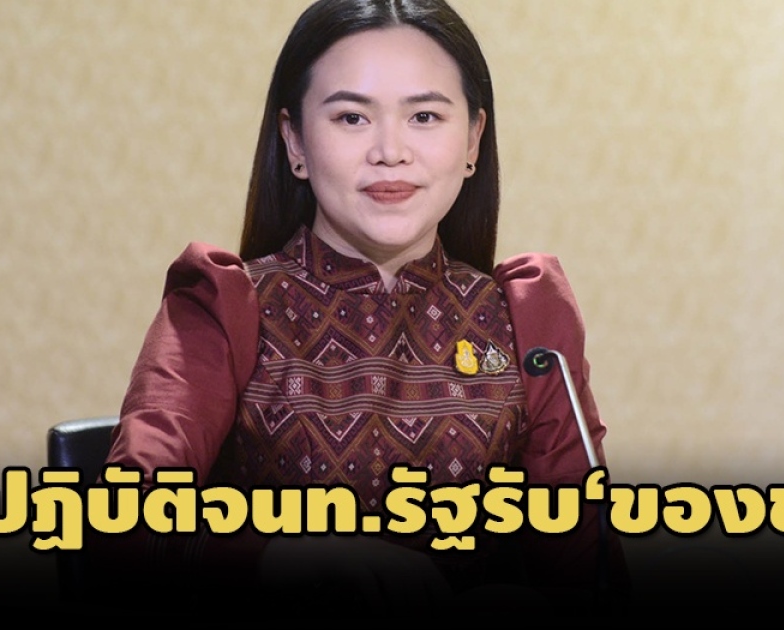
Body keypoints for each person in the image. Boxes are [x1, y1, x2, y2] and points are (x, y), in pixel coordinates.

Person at [100, 0, 627, 617]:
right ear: (295, 141)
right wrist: (282, 558)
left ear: (472, 141)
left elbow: (590, 570)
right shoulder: (224, 307)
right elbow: (127, 526)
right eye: (351, 117)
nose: (390, 151)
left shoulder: (526, 317)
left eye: (424, 116)